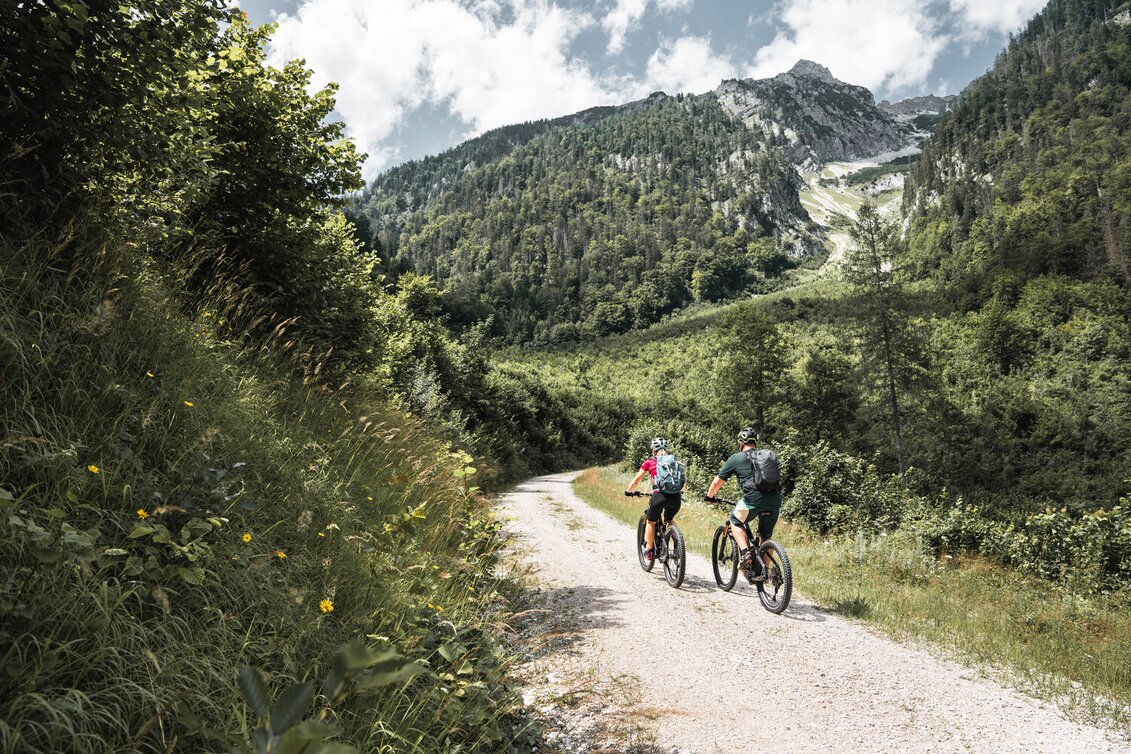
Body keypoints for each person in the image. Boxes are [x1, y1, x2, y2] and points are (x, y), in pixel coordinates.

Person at [704, 426, 782, 579]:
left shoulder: (737, 458)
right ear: (755, 442)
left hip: (753, 499)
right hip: (775, 500)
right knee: (766, 536)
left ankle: (746, 554)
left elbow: (717, 482)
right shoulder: (767, 457)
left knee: (735, 521)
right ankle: (764, 573)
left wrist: (709, 497)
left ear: (741, 442)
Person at [625, 437, 684, 562]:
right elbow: (682, 478)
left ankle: (649, 550)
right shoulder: (674, 461)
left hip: (659, 496)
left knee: (651, 522)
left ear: (653, 450)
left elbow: (636, 479)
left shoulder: (649, 462)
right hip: (676, 497)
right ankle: (679, 546)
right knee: (669, 520)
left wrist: (629, 491)